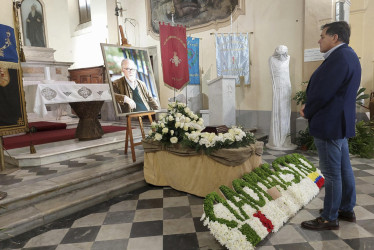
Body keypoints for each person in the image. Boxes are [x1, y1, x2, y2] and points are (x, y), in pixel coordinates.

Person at [300, 21, 361, 230]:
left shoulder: (339, 58)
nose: (319, 40)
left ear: (335, 38)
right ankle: (345, 208)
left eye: (323, 36)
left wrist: (307, 110)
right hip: (339, 123)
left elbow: (324, 92)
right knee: (344, 169)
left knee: (332, 173)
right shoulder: (349, 55)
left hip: (329, 124)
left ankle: (329, 217)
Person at [267, 45, 297, 151]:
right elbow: (272, 76)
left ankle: (284, 140)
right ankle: (276, 139)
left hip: (286, 88)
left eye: (284, 54)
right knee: (277, 113)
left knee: (285, 113)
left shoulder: (288, 58)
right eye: (280, 54)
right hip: (277, 89)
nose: (282, 56)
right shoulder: (271, 59)